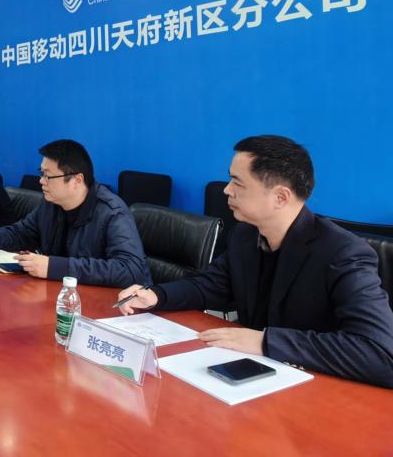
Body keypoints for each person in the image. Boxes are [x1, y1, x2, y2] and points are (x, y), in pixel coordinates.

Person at [118, 135, 393, 388]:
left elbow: (379, 354)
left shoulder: (343, 253)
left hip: (320, 391)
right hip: (254, 379)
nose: (227, 190)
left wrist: (266, 341)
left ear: (280, 197)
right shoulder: (246, 235)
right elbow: (212, 285)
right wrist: (156, 295)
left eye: (237, 183)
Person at [0, 139, 151, 287]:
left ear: (77, 180)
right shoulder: (51, 203)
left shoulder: (112, 213)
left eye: (48, 176)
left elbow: (130, 270)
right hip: (64, 296)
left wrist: (54, 267)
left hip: (115, 307)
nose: (41, 181)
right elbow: (22, 232)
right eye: (41, 174)